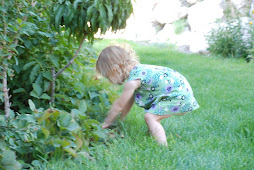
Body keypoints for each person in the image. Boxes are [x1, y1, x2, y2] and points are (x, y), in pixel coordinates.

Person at [96, 45, 199, 146]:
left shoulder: (132, 82)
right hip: (181, 92)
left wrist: (107, 122)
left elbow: (119, 105)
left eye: (108, 77)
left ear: (115, 70)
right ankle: (154, 133)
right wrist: (120, 121)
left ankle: (162, 147)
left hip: (178, 95)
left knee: (150, 117)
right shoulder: (138, 72)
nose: (110, 81)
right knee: (153, 115)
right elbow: (127, 103)